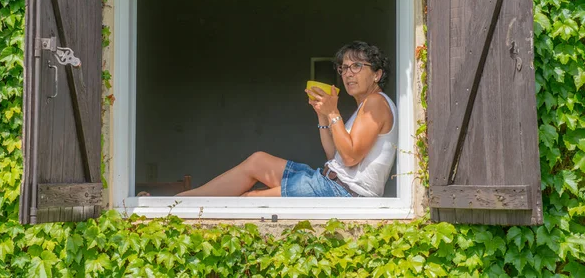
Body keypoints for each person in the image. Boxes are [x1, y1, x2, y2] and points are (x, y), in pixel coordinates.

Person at [143, 41, 397, 198]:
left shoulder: (376, 103)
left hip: (344, 192)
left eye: (356, 67)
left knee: (250, 199)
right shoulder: (364, 106)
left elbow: (351, 157)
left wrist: (333, 112)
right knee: (258, 161)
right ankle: (183, 199)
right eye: (343, 68)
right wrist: (322, 116)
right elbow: (336, 156)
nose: (347, 74)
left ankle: (177, 203)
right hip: (329, 180)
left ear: (377, 74)